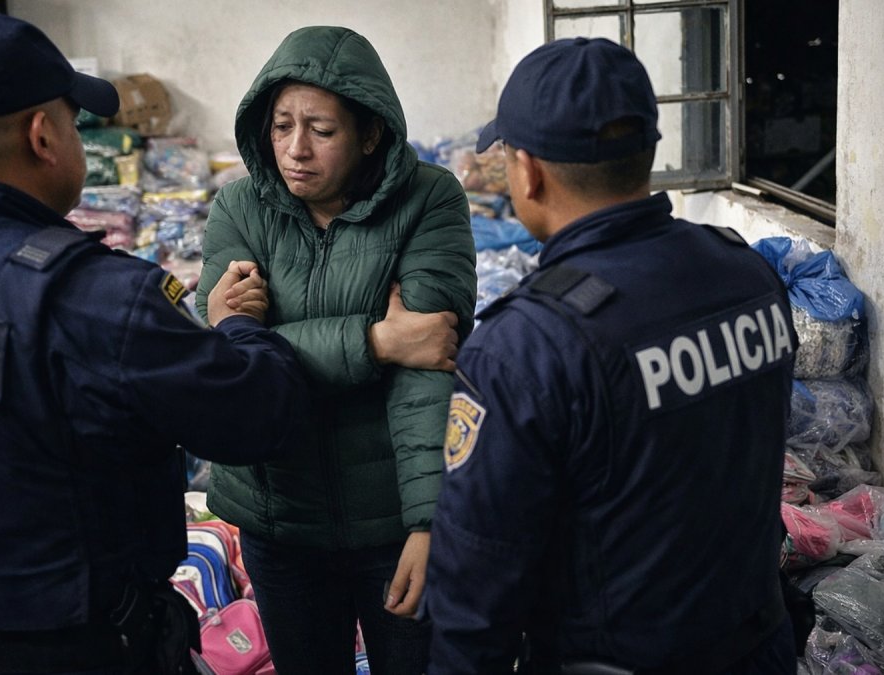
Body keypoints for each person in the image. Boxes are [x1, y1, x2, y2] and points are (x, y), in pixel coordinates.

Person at [0, 13, 308, 675]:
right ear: (44, 135)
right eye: (75, 123)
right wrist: (236, 325)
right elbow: (261, 415)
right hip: (82, 653)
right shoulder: (94, 299)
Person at [425, 37, 798, 674]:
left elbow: (476, 591)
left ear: (529, 172)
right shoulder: (747, 274)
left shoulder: (526, 347)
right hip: (758, 647)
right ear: (648, 152)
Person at [192, 25, 477, 675]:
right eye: (281, 125)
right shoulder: (240, 207)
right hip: (278, 517)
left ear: (370, 132)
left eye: (321, 130)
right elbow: (237, 369)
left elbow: (428, 371)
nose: (295, 149)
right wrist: (376, 339)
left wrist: (428, 524)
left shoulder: (427, 201)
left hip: (390, 524)